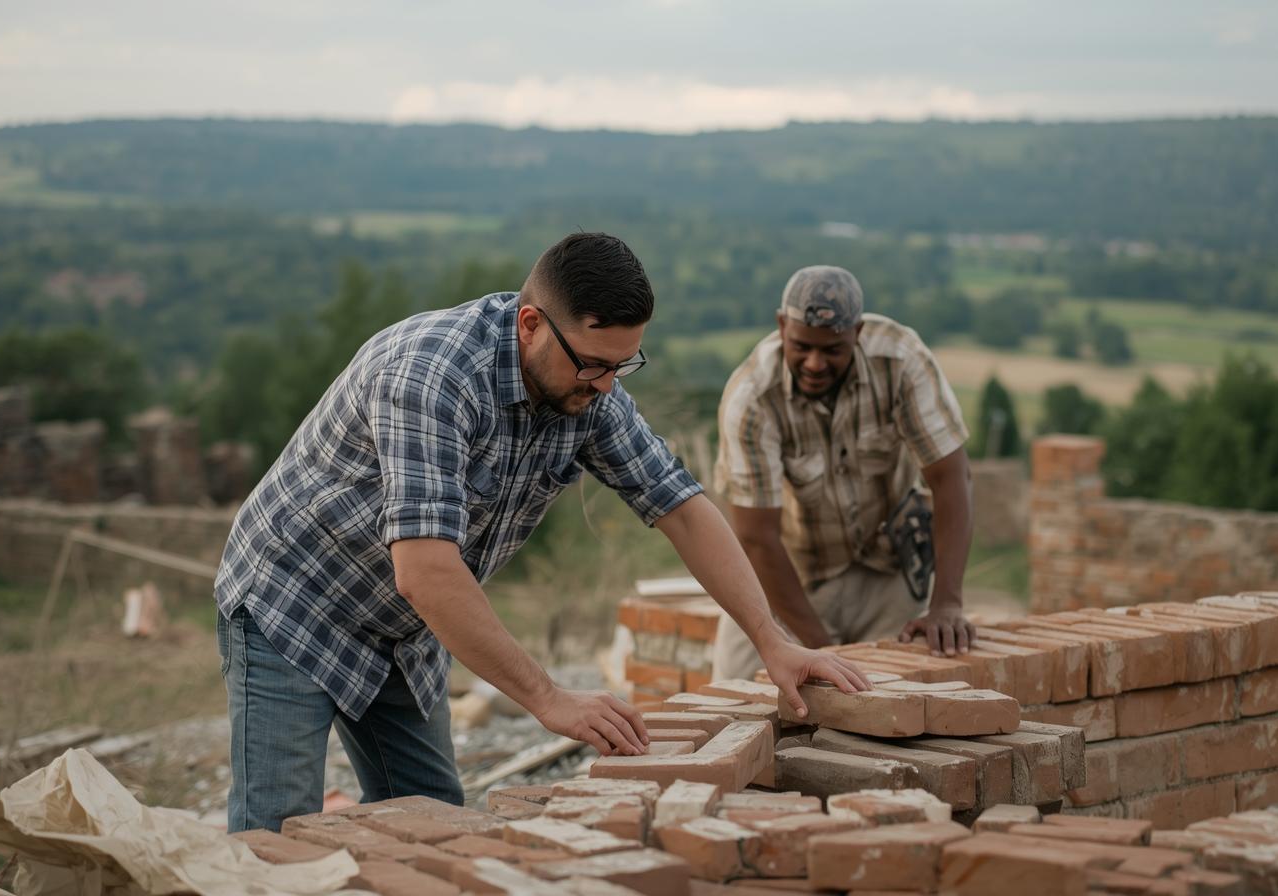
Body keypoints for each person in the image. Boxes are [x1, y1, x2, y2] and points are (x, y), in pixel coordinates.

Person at [214, 233, 867, 833]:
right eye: (592, 365)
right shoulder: (430, 377)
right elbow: (426, 571)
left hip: (404, 627)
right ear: (531, 325)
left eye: (623, 365)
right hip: (295, 605)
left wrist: (773, 642)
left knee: (434, 821)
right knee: (276, 834)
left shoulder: (590, 390)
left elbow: (686, 510)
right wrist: (546, 697)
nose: (607, 385)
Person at [711, 265, 977, 681]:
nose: (815, 363)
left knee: (890, 708)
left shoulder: (901, 362)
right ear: (782, 327)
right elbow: (756, 537)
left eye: (832, 350)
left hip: (886, 569)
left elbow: (951, 479)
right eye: (801, 347)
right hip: (788, 578)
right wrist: (822, 649)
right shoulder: (751, 399)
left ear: (858, 332)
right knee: (737, 705)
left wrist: (946, 603)